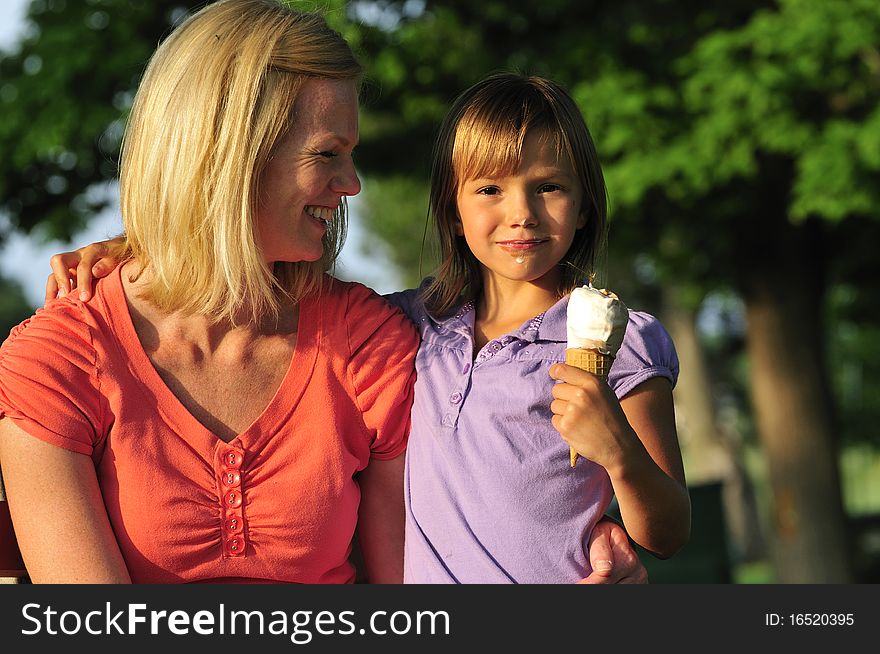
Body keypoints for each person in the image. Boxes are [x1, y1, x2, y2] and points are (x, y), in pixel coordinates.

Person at [5, 0, 646, 584]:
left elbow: (419, 585)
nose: (352, 184)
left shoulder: (368, 342)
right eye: (327, 153)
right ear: (231, 158)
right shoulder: (56, 364)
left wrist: (577, 547)